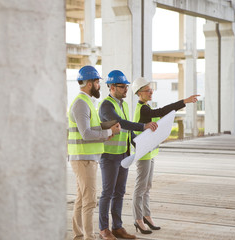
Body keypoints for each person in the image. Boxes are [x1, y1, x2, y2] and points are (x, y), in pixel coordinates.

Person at [130, 77, 199, 234]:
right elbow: (161, 111)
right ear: (140, 93)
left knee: (147, 187)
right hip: (143, 155)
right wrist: (184, 101)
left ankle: (146, 216)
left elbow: (159, 115)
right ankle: (138, 219)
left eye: (151, 89)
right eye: (148, 90)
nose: (151, 92)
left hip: (149, 152)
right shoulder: (143, 109)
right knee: (140, 188)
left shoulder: (145, 107)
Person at [98, 70, 158, 240]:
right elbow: (121, 123)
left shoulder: (123, 104)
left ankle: (117, 227)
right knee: (107, 193)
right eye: (122, 86)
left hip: (123, 155)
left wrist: (137, 146)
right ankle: (104, 229)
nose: (125, 89)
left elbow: (126, 130)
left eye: (126, 86)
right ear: (111, 87)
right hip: (109, 156)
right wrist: (143, 126)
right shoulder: (106, 105)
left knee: (120, 192)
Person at [68, 65, 121, 240]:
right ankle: (88, 237)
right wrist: (107, 133)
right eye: (98, 82)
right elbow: (86, 133)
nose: (99, 86)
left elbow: (92, 128)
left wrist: (108, 128)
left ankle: (78, 236)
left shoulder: (87, 102)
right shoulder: (81, 104)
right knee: (89, 201)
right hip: (83, 159)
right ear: (90, 83)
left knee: (82, 199)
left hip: (86, 158)